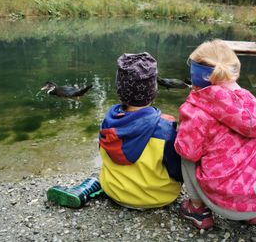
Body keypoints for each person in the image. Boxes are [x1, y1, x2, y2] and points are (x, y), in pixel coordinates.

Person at [47, 52, 182, 209]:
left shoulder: (108, 122)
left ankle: (84, 189)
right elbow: (177, 171)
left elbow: (106, 155)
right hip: (158, 197)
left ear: (119, 90)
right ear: (154, 90)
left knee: (100, 174)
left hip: (116, 193)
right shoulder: (165, 129)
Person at [174, 40, 256, 230]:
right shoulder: (249, 100)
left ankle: (197, 210)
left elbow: (188, 152)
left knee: (186, 153)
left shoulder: (196, 111)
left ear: (195, 76)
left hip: (226, 203)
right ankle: (253, 216)